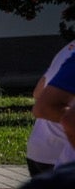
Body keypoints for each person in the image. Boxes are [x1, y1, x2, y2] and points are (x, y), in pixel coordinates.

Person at [26, 38, 75, 175]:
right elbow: (44, 107)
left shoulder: (67, 50)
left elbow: (38, 93)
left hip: (40, 149)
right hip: (57, 153)